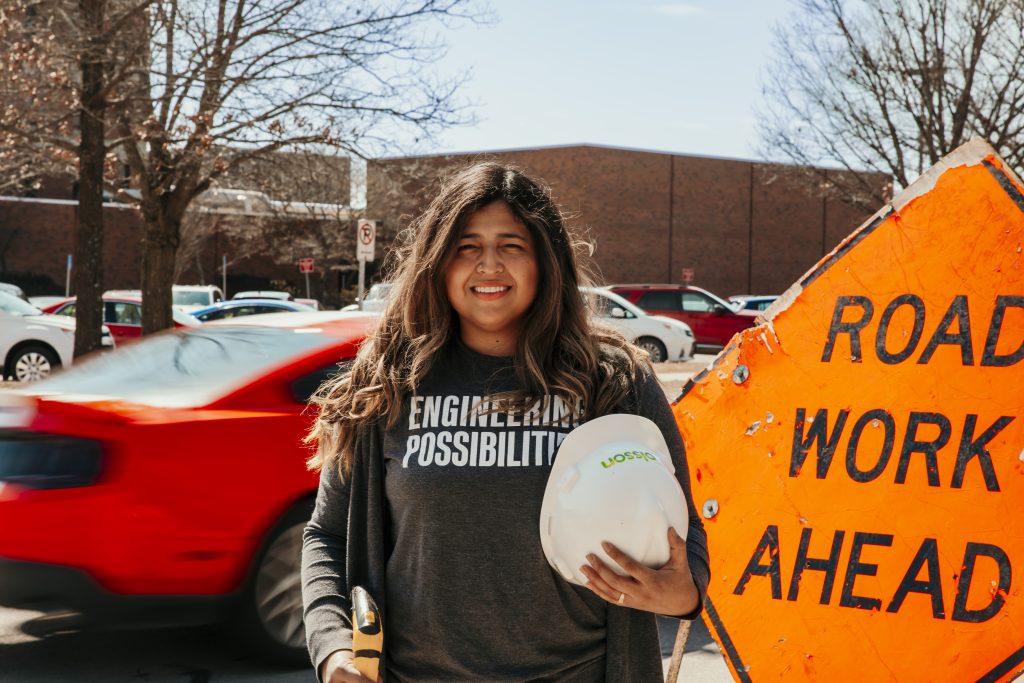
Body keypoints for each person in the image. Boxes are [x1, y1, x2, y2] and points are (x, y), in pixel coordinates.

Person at [301, 161, 710, 683]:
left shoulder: (615, 381)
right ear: (438, 263)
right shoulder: (386, 381)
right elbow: (327, 535)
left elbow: (684, 527)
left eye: (511, 245)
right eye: (467, 246)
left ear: (544, 262)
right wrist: (335, 648)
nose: (488, 264)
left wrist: (686, 591)